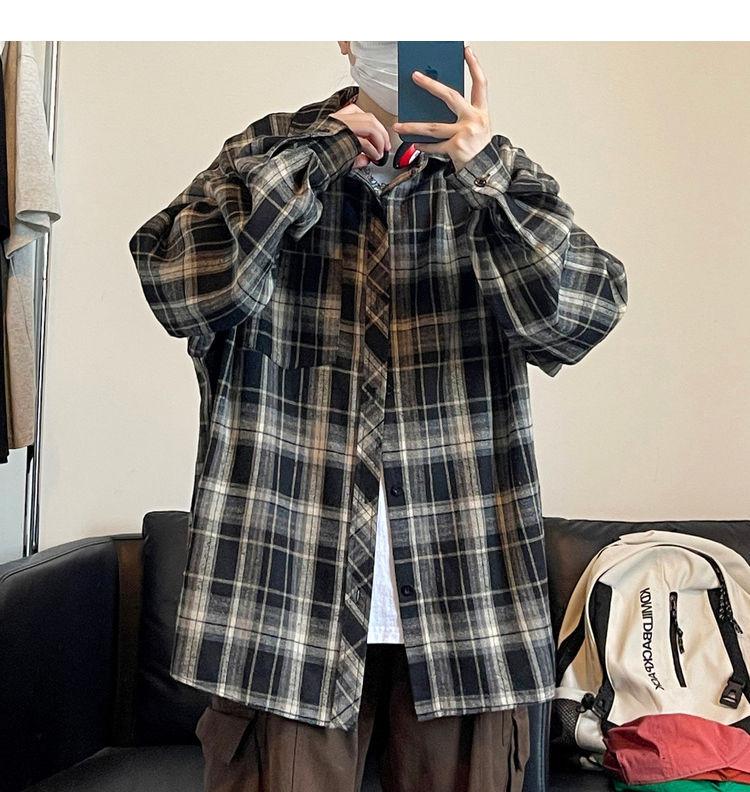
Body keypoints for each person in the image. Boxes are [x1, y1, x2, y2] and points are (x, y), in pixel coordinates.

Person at [129, 40, 628, 792]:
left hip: (465, 603)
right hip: (285, 602)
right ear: (348, 38)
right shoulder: (269, 151)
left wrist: (484, 172)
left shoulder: (496, 174)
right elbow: (180, 288)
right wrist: (322, 153)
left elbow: (580, 318)